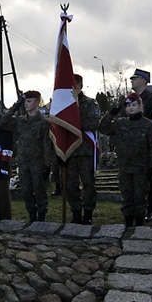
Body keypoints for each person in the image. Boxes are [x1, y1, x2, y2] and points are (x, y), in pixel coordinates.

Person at [98, 92, 152, 226]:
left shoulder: (148, 125)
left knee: (140, 197)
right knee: (127, 196)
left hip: (141, 168)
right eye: (128, 106)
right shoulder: (120, 124)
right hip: (125, 167)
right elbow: (103, 128)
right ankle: (127, 221)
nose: (131, 108)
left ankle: (139, 222)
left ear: (140, 106)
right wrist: (112, 113)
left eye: (134, 105)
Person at [0, 90, 52, 222]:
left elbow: (47, 144)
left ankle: (41, 217)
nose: (26, 104)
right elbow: (2, 123)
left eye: (29, 101)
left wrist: (47, 164)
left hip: (38, 163)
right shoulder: (21, 121)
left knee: (40, 191)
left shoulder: (43, 122)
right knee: (26, 191)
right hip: (23, 162)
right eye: (25, 102)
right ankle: (31, 215)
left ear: (37, 102)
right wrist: (15, 107)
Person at [64, 74, 100, 224]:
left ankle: (88, 214)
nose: (72, 88)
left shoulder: (91, 103)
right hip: (69, 150)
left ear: (80, 86)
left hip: (85, 150)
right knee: (71, 185)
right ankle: (76, 213)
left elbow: (93, 123)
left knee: (88, 184)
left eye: (75, 85)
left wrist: (73, 122)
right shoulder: (64, 106)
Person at [130, 68, 152, 221]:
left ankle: (151, 209)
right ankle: (134, 208)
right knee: (132, 181)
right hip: (132, 148)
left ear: (143, 81)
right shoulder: (129, 99)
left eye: (134, 78)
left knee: (150, 180)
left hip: (148, 148)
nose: (132, 81)